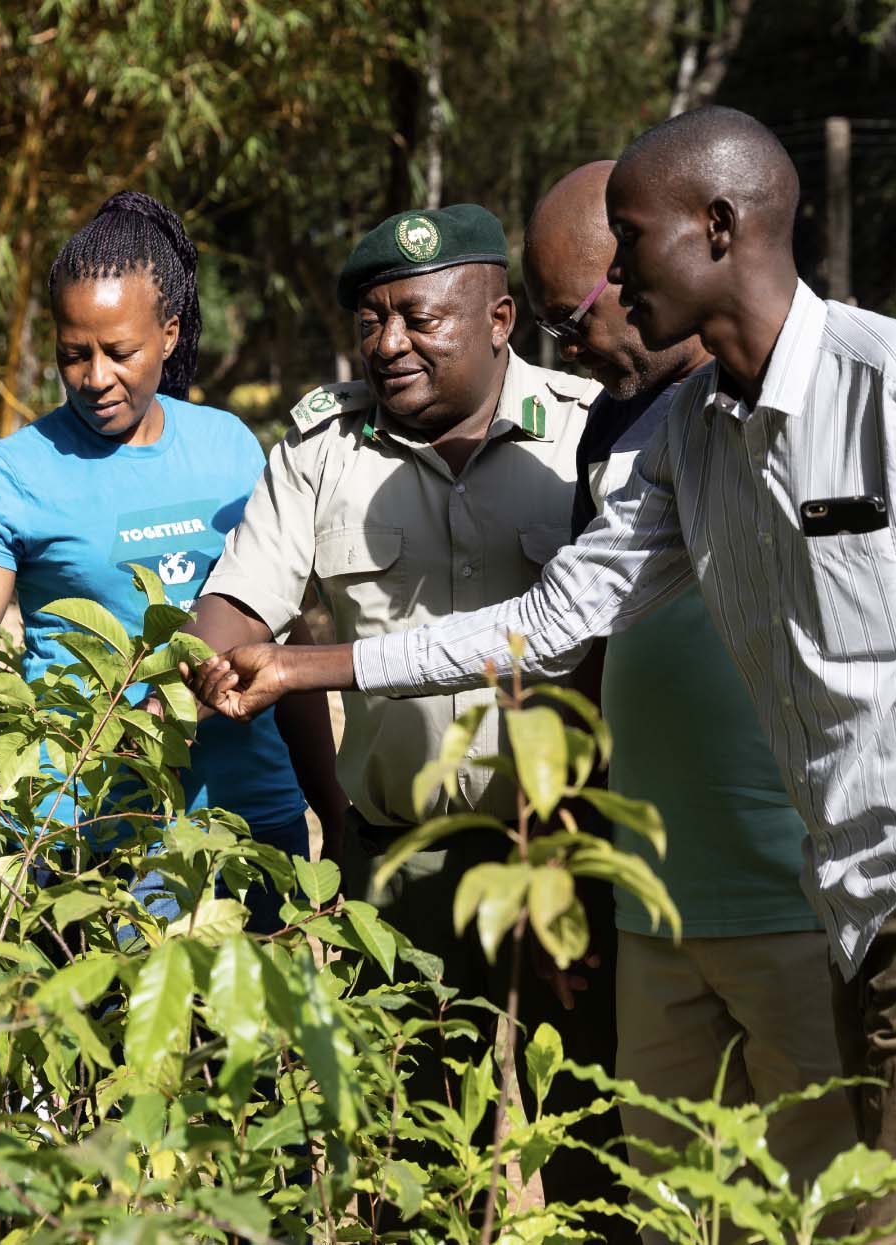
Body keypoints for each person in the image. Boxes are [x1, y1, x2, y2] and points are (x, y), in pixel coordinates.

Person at [190, 107, 896, 1244]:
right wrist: (307, 664)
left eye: (627, 239)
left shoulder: (895, 375)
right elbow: (553, 619)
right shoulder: (687, 433)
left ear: (718, 228)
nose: (609, 274)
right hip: (848, 899)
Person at [186, 204, 629, 1223]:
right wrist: (210, 657)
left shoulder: (586, 435)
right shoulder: (319, 448)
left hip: (572, 849)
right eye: (369, 321)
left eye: (418, 318)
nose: (388, 345)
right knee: (410, 1155)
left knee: (595, 1142)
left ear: (498, 316)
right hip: (406, 864)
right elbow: (238, 599)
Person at [523, 159, 854, 1196]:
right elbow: (573, 644)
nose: (567, 349)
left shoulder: (806, 391)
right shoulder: (613, 424)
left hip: (792, 886)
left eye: (570, 316)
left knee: (827, 1181)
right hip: (658, 900)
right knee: (677, 1189)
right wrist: (563, 847)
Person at [0, 190, 343, 932]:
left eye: (119, 352)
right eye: (74, 354)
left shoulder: (230, 447)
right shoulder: (16, 471)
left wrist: (329, 808)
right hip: (92, 839)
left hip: (250, 827)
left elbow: (281, 643)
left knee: (251, 1049)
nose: (95, 376)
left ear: (168, 334)